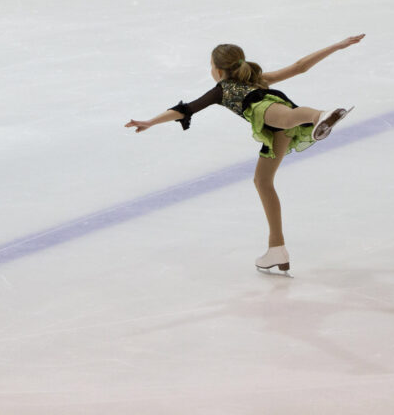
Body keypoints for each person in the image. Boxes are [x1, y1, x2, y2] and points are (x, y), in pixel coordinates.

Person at [125, 34, 365, 275]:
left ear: (218, 71)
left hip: (265, 112)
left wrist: (151, 121)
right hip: (274, 131)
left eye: (211, 65)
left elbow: (184, 110)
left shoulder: (221, 90)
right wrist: (336, 45)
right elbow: (299, 67)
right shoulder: (257, 78)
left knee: (290, 117)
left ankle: (321, 115)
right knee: (262, 181)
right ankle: (276, 247)